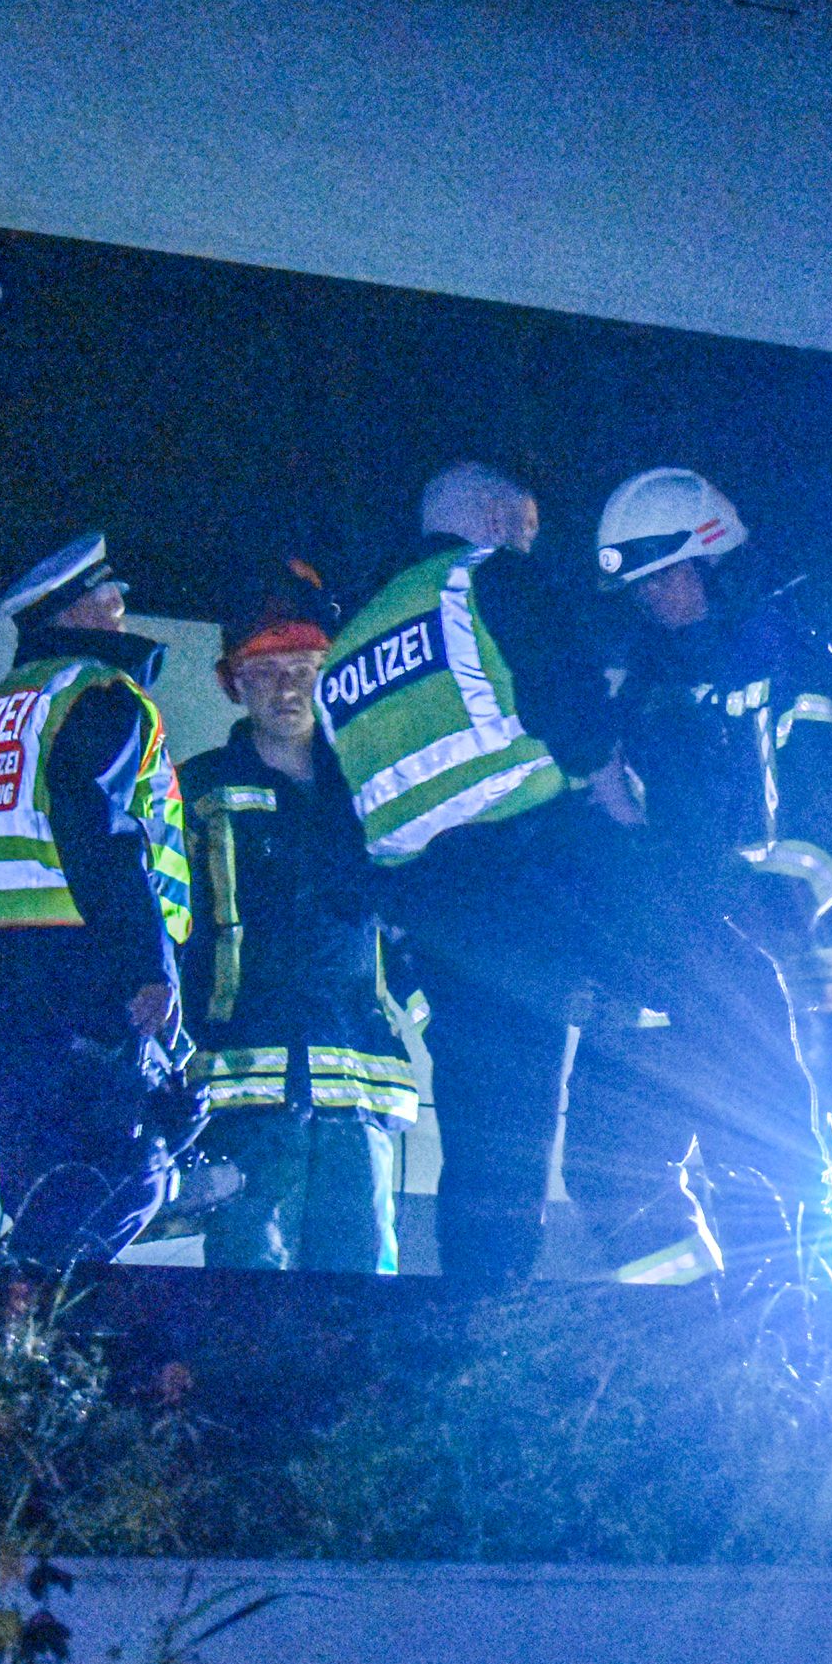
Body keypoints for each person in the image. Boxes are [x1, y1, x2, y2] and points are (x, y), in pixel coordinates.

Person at [576, 466, 832, 1282]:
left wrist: (769, 917)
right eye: (641, 587)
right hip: (668, 963)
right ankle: (686, 1330)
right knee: (607, 1165)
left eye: (667, 576)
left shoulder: (793, 661)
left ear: (714, 561)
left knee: (769, 1182)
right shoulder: (646, 687)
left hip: (771, 969)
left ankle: (803, 1354)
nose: (655, 599)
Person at [318, 463, 615, 1293]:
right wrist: (608, 778)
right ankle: (512, 1321)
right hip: (537, 882)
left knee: (484, 1136)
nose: (528, 543)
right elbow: (576, 706)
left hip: (435, 918)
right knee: (558, 1113)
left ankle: (474, 1313)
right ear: (488, 515)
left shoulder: (347, 650)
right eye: (522, 526)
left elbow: (348, 821)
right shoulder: (487, 580)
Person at [0, 532, 199, 1270]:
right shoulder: (101, 696)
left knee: (48, 1204)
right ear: (76, 610)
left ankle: (3, 1350)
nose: (121, 611)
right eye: (109, 598)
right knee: (122, 1184)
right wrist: (150, 966)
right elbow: (102, 836)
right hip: (80, 990)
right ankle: (5, 1342)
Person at [176, 563, 416, 1274]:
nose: (287, 688)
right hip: (244, 1092)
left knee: (363, 1298)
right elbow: (169, 931)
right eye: (267, 670)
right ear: (233, 682)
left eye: (305, 668)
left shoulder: (372, 786)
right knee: (251, 1301)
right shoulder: (197, 790)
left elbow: (408, 918)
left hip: (357, 1080)